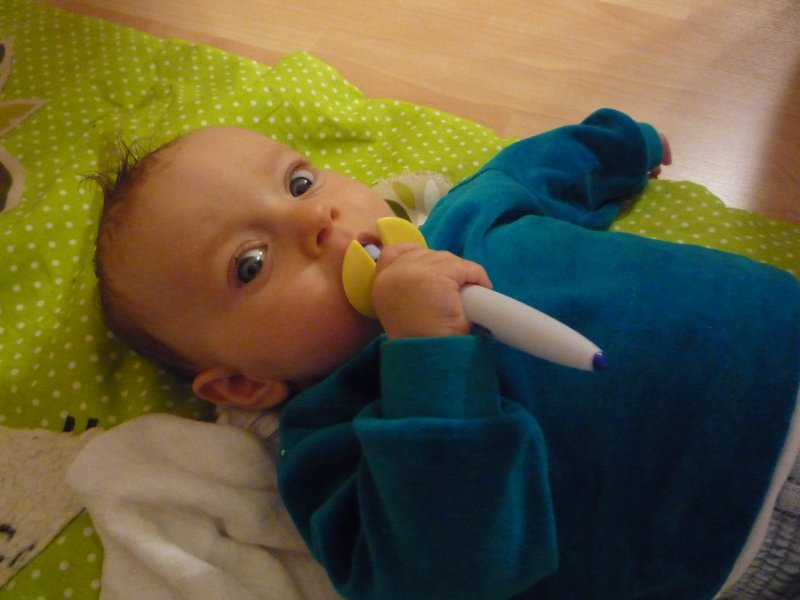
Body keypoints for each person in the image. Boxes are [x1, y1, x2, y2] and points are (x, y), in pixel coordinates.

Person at [93, 108, 800, 599]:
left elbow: (534, 171)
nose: (314, 218)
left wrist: (619, 146)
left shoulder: (460, 215)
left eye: (299, 182)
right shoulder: (331, 447)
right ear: (243, 385)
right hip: (749, 524)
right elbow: (443, 569)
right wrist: (427, 355)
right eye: (250, 263)